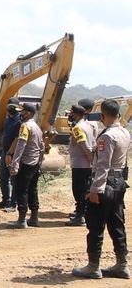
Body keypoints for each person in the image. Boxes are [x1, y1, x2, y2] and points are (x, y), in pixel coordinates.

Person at [72, 99, 131, 279]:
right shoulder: (124, 132)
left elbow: (103, 165)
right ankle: (121, 264)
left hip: (106, 184)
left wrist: (95, 189)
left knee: (96, 225)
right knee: (116, 224)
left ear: (103, 115)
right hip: (119, 182)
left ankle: (93, 266)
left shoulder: (106, 136)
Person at [8, 103, 45, 229]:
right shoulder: (37, 127)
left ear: (28, 113)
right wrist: (39, 162)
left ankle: (22, 219)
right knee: (33, 190)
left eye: (22, 112)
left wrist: (15, 163)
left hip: (25, 163)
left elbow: (21, 145)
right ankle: (34, 217)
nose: (20, 114)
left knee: (21, 190)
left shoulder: (25, 126)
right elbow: (42, 147)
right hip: (35, 164)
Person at [66, 104, 96, 226]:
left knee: (79, 191)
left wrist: (90, 157)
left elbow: (84, 145)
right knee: (84, 189)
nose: (70, 116)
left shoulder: (78, 128)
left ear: (76, 114)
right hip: (85, 164)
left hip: (80, 164)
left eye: (71, 113)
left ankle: (79, 216)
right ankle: (83, 213)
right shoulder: (88, 125)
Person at [0, 97, 21, 210]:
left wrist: (11, 153)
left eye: (13, 107)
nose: (11, 109)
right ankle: (6, 200)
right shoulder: (7, 120)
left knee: (14, 179)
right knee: (3, 178)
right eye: (10, 107)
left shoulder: (19, 121)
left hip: (13, 154)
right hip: (5, 153)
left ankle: (13, 204)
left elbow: (17, 139)